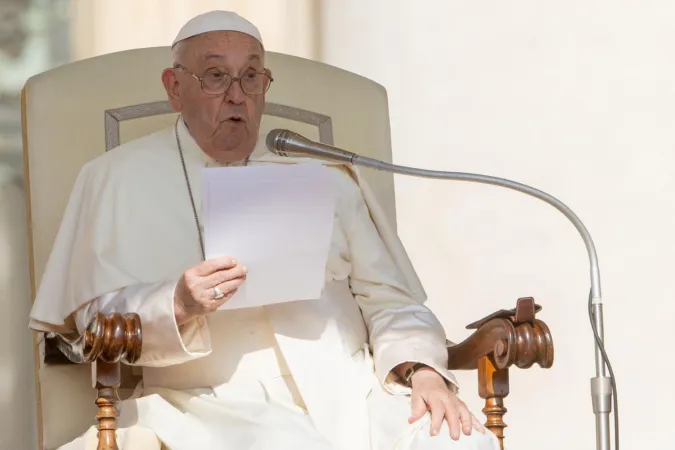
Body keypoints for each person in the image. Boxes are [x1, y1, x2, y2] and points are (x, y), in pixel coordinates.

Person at [28, 10, 500, 450]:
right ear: (174, 88)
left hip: (352, 390)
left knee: (458, 437)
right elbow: (93, 323)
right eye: (215, 76)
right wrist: (177, 302)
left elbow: (392, 300)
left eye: (251, 76)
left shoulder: (322, 170)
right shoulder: (114, 178)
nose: (237, 94)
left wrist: (421, 371)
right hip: (208, 404)